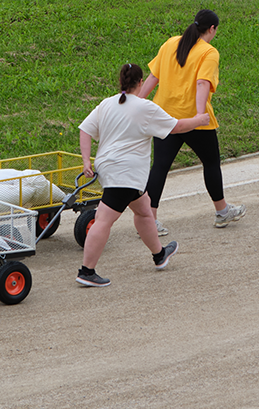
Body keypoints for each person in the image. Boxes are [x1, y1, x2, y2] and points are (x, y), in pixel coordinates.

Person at [76, 63, 209, 287]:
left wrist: (86, 160)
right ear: (140, 83)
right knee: (103, 220)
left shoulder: (107, 104)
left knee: (144, 210)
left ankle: (159, 255)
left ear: (121, 82)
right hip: (125, 173)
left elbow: (85, 129)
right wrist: (199, 120)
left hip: (110, 168)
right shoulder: (144, 107)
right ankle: (86, 271)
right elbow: (175, 127)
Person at [143, 9, 247, 229]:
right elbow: (203, 83)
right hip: (192, 119)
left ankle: (149, 221)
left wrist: (137, 101)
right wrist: (200, 115)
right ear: (212, 29)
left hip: (165, 117)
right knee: (210, 163)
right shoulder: (209, 52)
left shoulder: (171, 43)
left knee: (160, 166)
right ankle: (222, 212)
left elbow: (154, 76)